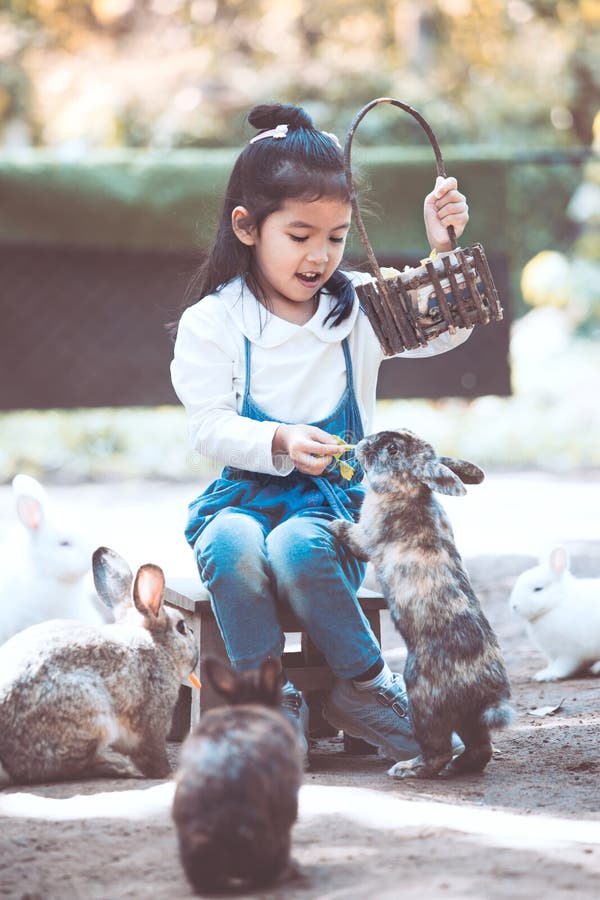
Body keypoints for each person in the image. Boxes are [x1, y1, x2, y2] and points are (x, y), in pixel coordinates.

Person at [170, 102, 471, 760]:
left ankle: (363, 686)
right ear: (247, 227)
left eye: (334, 237)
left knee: (303, 548)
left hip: (334, 504)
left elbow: (443, 327)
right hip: (247, 493)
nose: (319, 255)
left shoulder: (359, 305)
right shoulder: (214, 322)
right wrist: (278, 441)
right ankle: (266, 697)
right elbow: (210, 426)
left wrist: (442, 247)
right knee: (228, 542)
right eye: (300, 234)